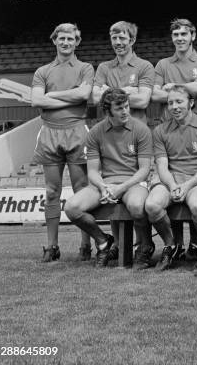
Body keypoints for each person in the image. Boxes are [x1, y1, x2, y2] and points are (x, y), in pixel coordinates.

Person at [64, 89, 153, 269]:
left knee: (137, 206)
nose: (125, 111)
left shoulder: (141, 129)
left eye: (127, 106)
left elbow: (144, 170)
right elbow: (93, 172)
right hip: (106, 183)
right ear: (108, 111)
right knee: (71, 208)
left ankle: (145, 246)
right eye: (119, 108)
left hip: (133, 182)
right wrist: (103, 186)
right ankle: (103, 242)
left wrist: (121, 188)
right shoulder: (95, 132)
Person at [92, 20, 155, 264]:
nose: (118, 42)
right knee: (113, 192)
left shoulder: (144, 66)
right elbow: (96, 97)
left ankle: (143, 245)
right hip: (110, 136)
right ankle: (117, 245)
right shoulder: (103, 67)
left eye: (123, 38)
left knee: (136, 198)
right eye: (114, 38)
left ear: (132, 40)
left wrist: (111, 90)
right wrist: (129, 89)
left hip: (136, 134)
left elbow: (142, 101)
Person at [31, 23, 94, 262]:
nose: (66, 42)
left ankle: (86, 245)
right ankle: (52, 246)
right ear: (54, 40)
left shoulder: (85, 68)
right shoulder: (43, 71)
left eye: (70, 38)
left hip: (77, 131)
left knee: (81, 191)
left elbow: (83, 95)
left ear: (77, 42)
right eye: (61, 38)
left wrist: (52, 96)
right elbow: (36, 101)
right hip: (49, 132)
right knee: (51, 192)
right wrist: (69, 96)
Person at [152, 18, 197, 261]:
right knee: (166, 194)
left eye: (184, 34)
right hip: (169, 129)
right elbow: (155, 93)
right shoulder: (163, 63)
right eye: (175, 34)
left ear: (193, 36)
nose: (179, 38)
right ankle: (175, 244)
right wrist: (186, 87)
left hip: (195, 126)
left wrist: (172, 86)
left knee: (194, 201)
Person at [144, 85, 197, 272]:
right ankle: (171, 246)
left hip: (196, 180)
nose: (174, 106)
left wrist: (187, 185)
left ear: (191, 103)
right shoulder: (160, 130)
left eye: (179, 102)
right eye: (170, 103)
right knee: (152, 205)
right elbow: (162, 165)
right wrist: (173, 185)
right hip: (170, 180)